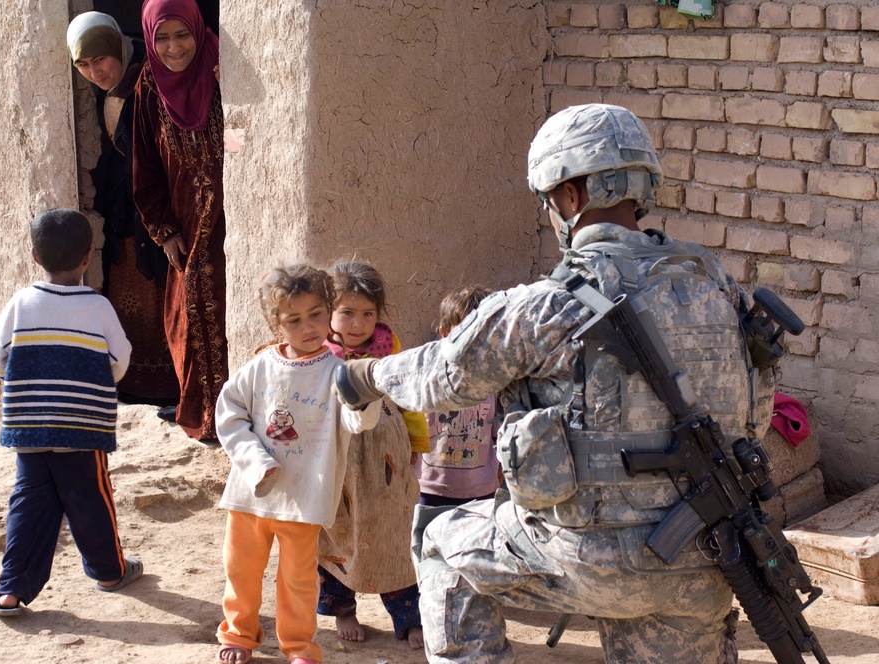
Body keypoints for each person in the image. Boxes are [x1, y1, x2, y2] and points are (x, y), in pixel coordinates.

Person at [335, 104, 772, 663]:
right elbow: (756, 416)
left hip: (588, 557)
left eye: (548, 201)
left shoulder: (550, 305)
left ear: (569, 195)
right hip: (711, 558)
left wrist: (368, 373)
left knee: (445, 545)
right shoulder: (718, 288)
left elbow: (441, 377)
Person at [214, 264, 381, 664]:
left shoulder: (338, 372)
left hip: (303, 498)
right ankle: (238, 634)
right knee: (241, 571)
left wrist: (364, 395)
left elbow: (358, 422)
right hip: (251, 494)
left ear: (328, 311)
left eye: (317, 315)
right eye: (294, 319)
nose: (309, 327)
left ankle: (299, 647)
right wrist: (255, 461)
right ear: (276, 324)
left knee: (299, 581)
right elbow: (229, 415)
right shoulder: (259, 368)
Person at [0, 208, 143, 617]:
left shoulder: (22, 302)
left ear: (35, 257)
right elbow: (119, 359)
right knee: (90, 497)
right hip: (81, 426)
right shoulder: (98, 306)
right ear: (88, 256)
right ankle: (110, 572)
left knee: (29, 502)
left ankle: (11, 590)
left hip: (30, 426)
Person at [66, 11, 179, 411]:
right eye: (83, 64)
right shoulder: (109, 92)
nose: (95, 71)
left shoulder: (150, 82)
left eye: (101, 59)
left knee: (161, 302)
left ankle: (170, 388)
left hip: (161, 217)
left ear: (118, 47)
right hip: (123, 221)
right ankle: (132, 387)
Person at [316, 261, 428, 649]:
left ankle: (409, 617)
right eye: (347, 312)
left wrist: (417, 444)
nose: (358, 323)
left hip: (387, 458)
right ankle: (342, 609)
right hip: (339, 459)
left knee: (395, 535)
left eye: (367, 314)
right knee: (337, 531)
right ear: (329, 312)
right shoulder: (318, 353)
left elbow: (408, 400)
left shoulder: (389, 347)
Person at [133, 0, 228, 440]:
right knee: (189, 318)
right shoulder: (149, 85)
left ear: (197, 29)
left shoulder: (221, 67)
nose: (174, 47)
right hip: (186, 229)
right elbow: (145, 166)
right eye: (162, 37)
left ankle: (239, 416)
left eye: (182, 34)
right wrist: (164, 230)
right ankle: (207, 415)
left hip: (231, 220)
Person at [415, 285, 501, 507]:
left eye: (482, 332)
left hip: (481, 488)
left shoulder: (494, 377)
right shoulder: (428, 374)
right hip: (431, 486)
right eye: (465, 331)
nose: (474, 340)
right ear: (445, 333)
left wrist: (501, 467)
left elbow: (499, 431)